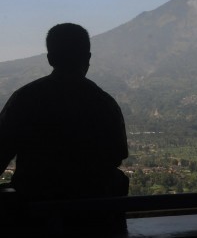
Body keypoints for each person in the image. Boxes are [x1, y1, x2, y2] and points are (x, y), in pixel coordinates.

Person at [0, 23, 129, 234]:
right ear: (87, 57)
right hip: (96, 220)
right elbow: (118, 154)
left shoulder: (25, 99)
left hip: (35, 217)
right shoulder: (104, 102)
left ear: (50, 58)